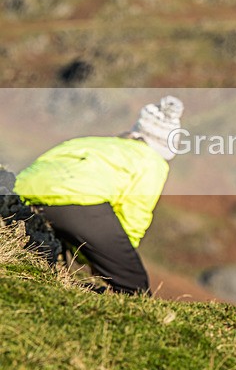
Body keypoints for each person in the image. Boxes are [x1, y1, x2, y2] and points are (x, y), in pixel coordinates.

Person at [13, 96, 184, 295]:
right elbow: (135, 214)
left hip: (24, 192)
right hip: (76, 200)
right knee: (135, 285)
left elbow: (46, 161)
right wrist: (112, 257)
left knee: (54, 256)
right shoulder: (153, 162)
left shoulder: (99, 143)